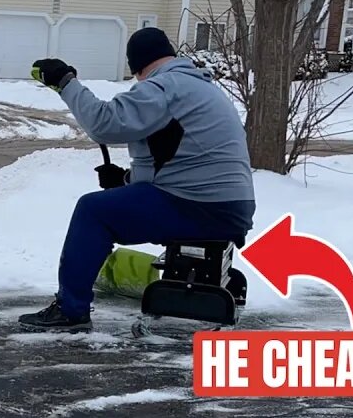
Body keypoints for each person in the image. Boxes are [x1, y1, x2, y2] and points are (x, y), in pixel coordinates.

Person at [19, 27, 256, 331]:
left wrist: (65, 82)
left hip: (200, 206)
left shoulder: (163, 86)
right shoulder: (197, 86)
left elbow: (104, 123)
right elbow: (180, 157)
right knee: (106, 207)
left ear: (138, 66)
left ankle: (70, 309)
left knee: (93, 211)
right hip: (226, 205)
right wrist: (127, 181)